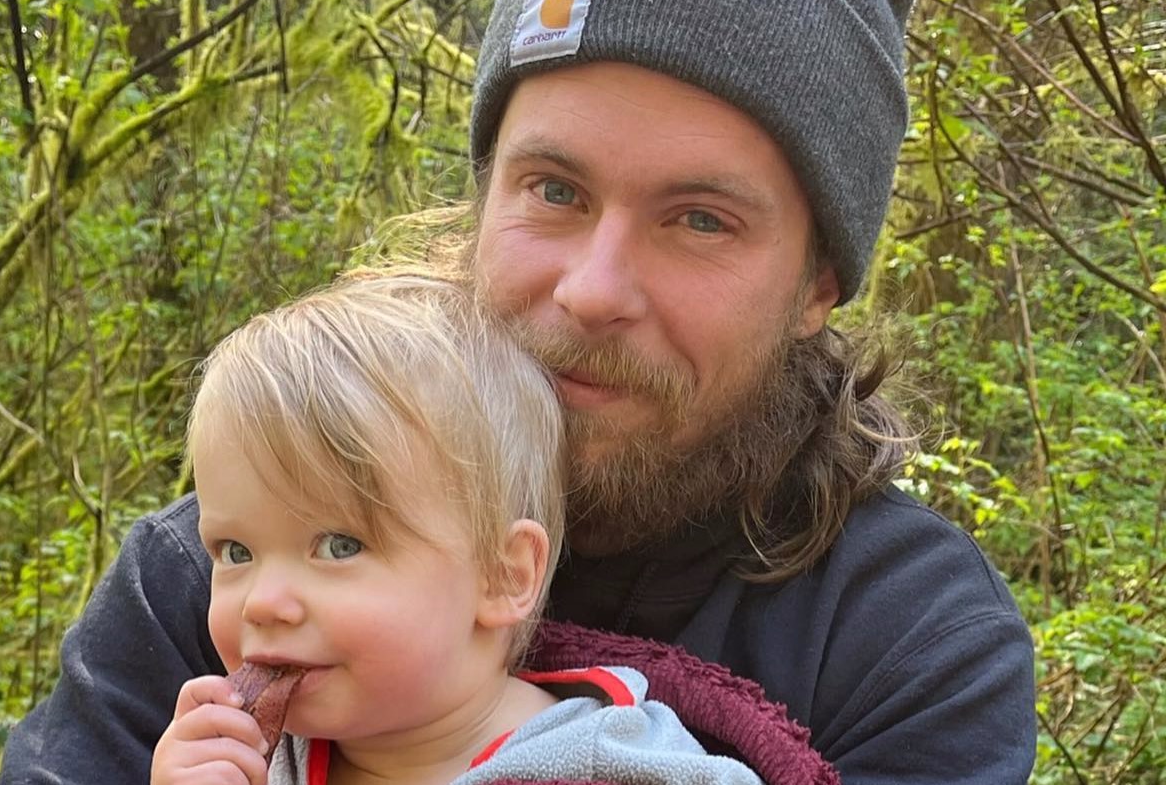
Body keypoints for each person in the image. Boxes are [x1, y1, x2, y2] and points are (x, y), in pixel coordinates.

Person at [0, 0, 1037, 783]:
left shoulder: (906, 646)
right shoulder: (223, 578)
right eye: (554, 189)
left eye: (700, 219)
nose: (593, 290)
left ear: (818, 284)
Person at [151, 274, 784, 785]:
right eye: (236, 551)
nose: (262, 603)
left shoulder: (613, 763)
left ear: (504, 575)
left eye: (340, 546)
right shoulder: (255, 763)